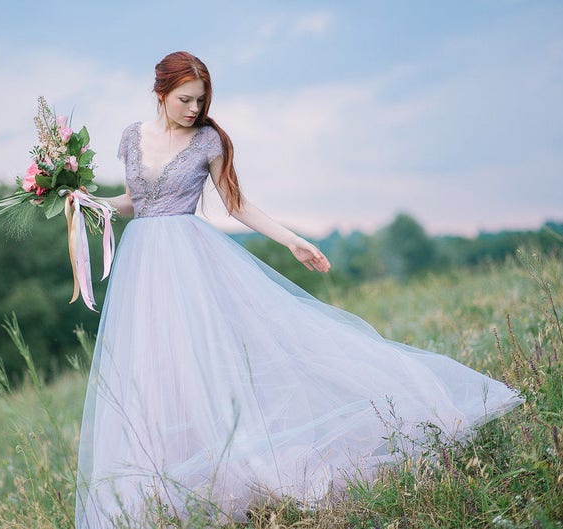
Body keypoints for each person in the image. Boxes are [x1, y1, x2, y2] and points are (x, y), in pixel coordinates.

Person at [74, 51, 523, 528]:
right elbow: (136, 201)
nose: (193, 109)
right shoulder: (131, 137)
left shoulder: (208, 140)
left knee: (211, 361)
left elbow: (237, 204)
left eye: (201, 100)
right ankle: (160, 493)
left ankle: (240, 471)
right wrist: (87, 202)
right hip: (142, 266)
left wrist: (293, 240)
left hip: (190, 261)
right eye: (185, 99)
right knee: (154, 373)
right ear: (159, 91)